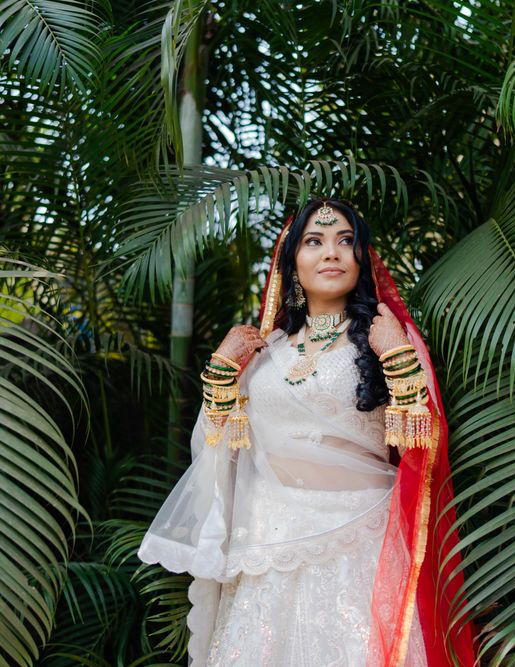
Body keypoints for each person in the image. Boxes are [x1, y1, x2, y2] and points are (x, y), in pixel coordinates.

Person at [138, 199, 476, 666]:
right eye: (314, 241)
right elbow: (219, 451)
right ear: (292, 261)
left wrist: (399, 358)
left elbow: (421, 452)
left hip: (359, 549)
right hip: (267, 552)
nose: (331, 252)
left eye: (345, 241)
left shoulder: (384, 338)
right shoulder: (266, 349)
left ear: (361, 258)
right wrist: (220, 373)